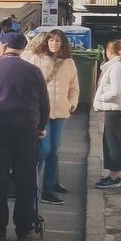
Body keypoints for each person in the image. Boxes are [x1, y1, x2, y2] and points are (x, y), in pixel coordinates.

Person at [0, 32, 50, 241]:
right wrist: (41, 126)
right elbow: (44, 103)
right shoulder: (34, 71)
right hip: (26, 130)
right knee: (25, 178)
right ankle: (24, 229)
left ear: (4, 46)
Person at [22, 29, 79, 205]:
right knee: (43, 150)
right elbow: (26, 82)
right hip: (41, 113)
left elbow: (74, 87)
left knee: (54, 151)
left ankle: (48, 189)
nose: (54, 43)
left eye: (58, 41)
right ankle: (28, 181)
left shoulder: (69, 63)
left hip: (61, 112)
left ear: (63, 44)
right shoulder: (36, 59)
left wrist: (71, 104)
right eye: (51, 40)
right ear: (46, 42)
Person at [93, 40, 121, 189]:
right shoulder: (119, 66)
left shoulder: (116, 67)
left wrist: (101, 97)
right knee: (111, 141)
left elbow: (116, 91)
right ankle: (115, 173)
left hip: (114, 108)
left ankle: (115, 174)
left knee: (112, 142)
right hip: (114, 108)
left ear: (109, 52)